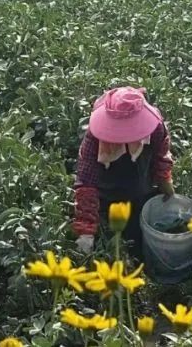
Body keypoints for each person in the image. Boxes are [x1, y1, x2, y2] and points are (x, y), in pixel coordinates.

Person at [73, 86, 175, 254]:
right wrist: (86, 229)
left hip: (141, 191)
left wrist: (164, 180)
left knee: (138, 235)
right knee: (116, 242)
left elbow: (161, 155)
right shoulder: (95, 138)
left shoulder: (155, 128)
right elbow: (86, 182)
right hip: (107, 198)